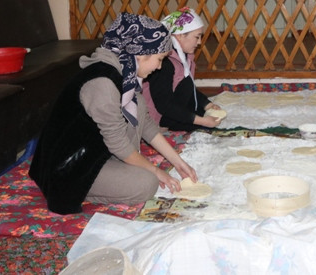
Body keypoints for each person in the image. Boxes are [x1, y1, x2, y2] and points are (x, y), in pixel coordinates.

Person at [29, 13, 198, 215]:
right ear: (140, 53)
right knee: (146, 183)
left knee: (138, 119)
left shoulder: (125, 72)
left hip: (95, 150)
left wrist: (178, 162)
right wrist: (156, 171)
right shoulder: (103, 84)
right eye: (159, 59)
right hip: (70, 165)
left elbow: (145, 122)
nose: (159, 67)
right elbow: (117, 142)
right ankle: (74, 190)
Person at [143, 7, 223, 132]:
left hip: (173, 108)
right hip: (159, 117)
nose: (199, 42)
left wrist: (207, 104)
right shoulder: (165, 62)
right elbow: (164, 105)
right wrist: (201, 121)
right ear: (180, 35)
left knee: (204, 113)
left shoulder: (185, 57)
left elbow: (189, 89)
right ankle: (166, 127)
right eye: (197, 37)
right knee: (204, 123)